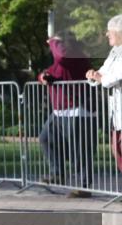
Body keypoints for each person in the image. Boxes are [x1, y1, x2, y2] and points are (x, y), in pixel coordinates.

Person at [38, 32, 94, 195]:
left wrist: (53, 41)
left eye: (57, 44)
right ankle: (58, 173)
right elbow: (49, 72)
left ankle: (85, 187)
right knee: (45, 138)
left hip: (78, 111)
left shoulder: (76, 56)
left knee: (80, 150)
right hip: (59, 112)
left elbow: (62, 56)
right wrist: (43, 77)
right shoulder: (60, 62)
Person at [87, 14, 122, 174]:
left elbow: (114, 77)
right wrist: (93, 75)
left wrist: (101, 78)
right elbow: (103, 72)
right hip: (117, 112)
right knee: (117, 149)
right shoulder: (115, 51)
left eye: (110, 31)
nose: (107, 34)